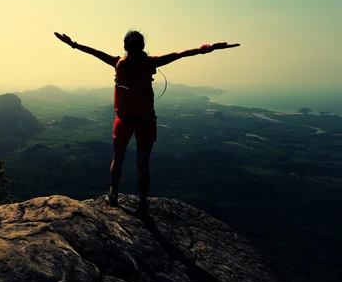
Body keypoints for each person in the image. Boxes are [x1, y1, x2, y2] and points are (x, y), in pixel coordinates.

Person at [54, 30, 240, 218]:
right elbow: (180, 54)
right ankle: (142, 204)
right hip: (146, 121)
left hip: (123, 120)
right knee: (143, 164)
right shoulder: (150, 62)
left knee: (117, 158)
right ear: (143, 46)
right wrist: (206, 49)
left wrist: (73, 44)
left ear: (125, 46)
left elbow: (94, 52)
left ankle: (113, 194)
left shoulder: (118, 62)